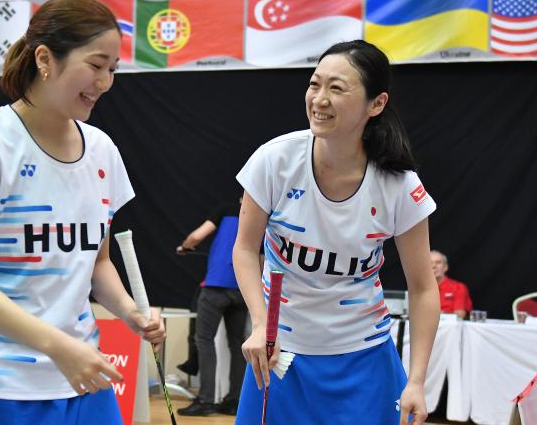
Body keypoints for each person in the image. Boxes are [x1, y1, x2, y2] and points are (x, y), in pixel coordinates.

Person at [0, 0, 165, 425]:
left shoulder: (102, 151)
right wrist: (58, 346)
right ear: (45, 59)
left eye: (113, 69)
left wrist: (130, 312)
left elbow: (97, 262)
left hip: (82, 378)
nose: (105, 82)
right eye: (95, 65)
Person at [232, 40, 440, 425]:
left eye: (337, 88)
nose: (319, 99)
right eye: (315, 84)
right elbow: (245, 249)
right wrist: (260, 324)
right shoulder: (274, 160)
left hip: (365, 360)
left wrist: (416, 380)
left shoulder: (399, 185)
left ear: (376, 104)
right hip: (280, 357)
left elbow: (424, 287)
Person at [176, 198, 247, 416]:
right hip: (243, 288)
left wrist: (185, 246)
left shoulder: (226, 208)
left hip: (216, 286)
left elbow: (198, 236)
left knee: (204, 340)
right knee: (238, 345)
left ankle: (206, 400)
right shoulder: (263, 216)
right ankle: (234, 401)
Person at [431, 250, 472, 319]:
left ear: (445, 267)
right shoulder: (419, 289)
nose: (433, 266)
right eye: (430, 263)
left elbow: (460, 315)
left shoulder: (458, 287)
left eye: (438, 262)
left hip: (449, 328)